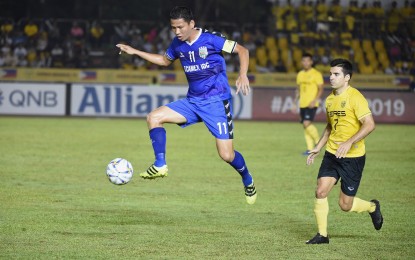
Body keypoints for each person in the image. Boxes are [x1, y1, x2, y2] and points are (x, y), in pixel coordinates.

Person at [116, 6, 257, 204]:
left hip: (216, 103)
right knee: (153, 117)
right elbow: (164, 61)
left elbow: (242, 50)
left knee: (226, 155)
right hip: (192, 102)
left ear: (191, 24)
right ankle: (160, 164)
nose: (177, 32)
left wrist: (243, 74)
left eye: (180, 27)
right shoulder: (177, 44)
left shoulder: (211, 39)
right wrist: (135, 51)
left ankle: (247, 179)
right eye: (173, 28)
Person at [305, 58, 383, 244]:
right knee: (321, 191)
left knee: (345, 205)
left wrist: (349, 142)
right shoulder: (330, 99)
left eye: (336, 74)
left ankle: (372, 207)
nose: (331, 77)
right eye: (330, 74)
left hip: (353, 158)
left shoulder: (355, 97)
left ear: (347, 77)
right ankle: (322, 235)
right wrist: (318, 147)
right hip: (332, 154)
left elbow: (370, 124)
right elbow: (330, 127)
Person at [294, 53, 324, 155]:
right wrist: (294, 102)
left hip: (311, 103)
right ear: (302, 62)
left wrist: (315, 100)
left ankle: (318, 143)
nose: (306, 63)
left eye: (308, 60)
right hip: (302, 103)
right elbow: (298, 90)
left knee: (307, 123)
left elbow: (321, 89)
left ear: (311, 62)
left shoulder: (316, 74)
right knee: (305, 125)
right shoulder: (300, 74)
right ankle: (309, 149)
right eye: (304, 61)